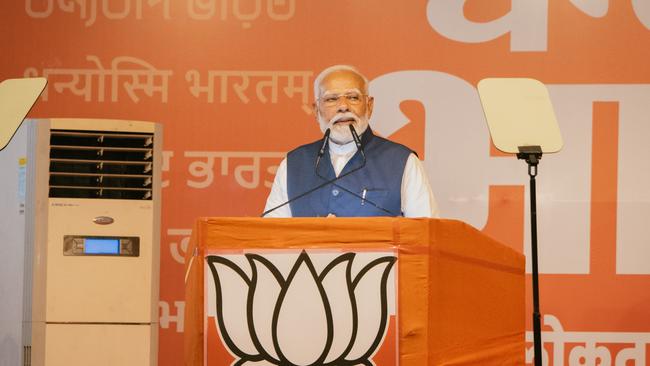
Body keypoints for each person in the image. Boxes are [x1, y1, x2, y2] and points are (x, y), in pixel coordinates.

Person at [263, 65, 439, 218]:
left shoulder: (402, 161)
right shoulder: (293, 164)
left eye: (353, 97)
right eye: (332, 99)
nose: (343, 106)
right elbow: (271, 238)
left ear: (369, 106)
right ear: (316, 111)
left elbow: (426, 236)